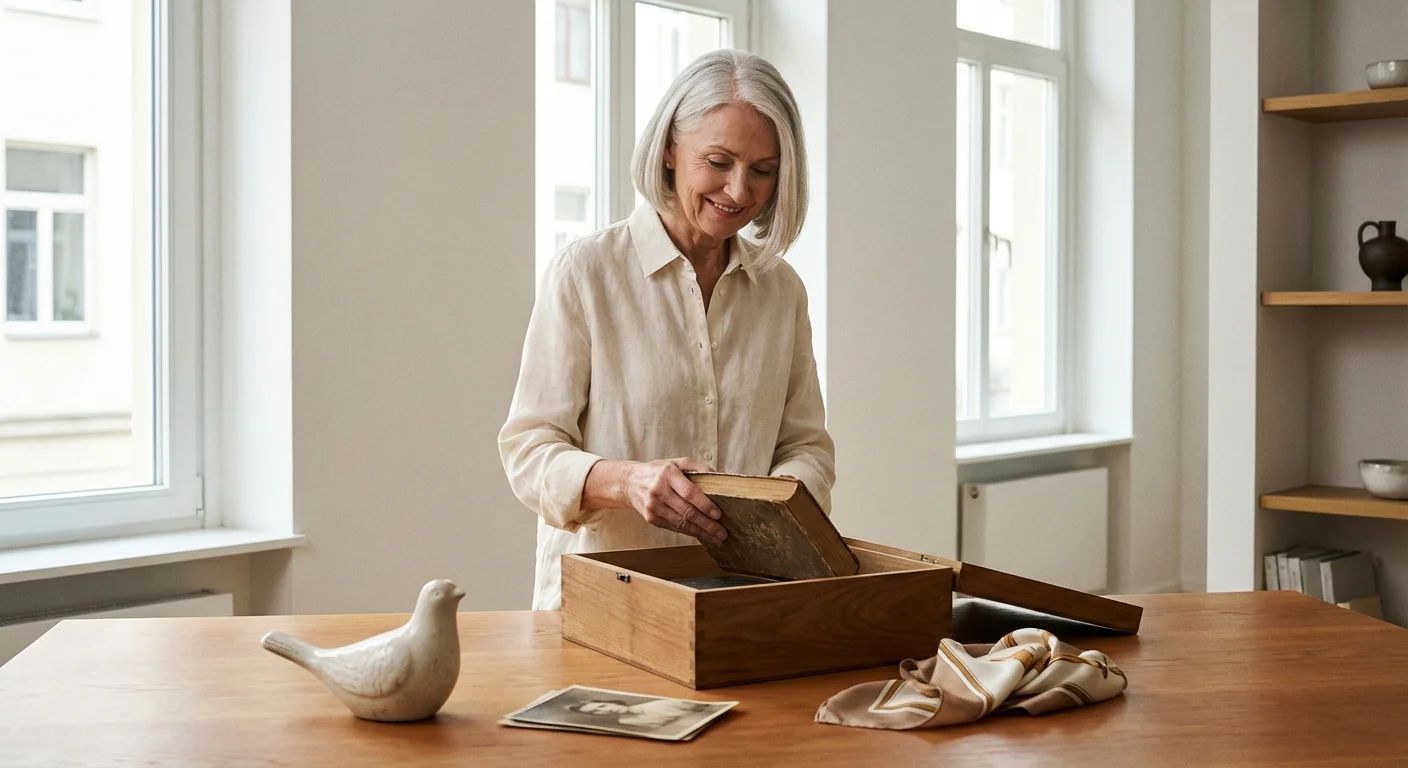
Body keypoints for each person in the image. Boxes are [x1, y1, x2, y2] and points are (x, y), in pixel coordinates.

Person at [499, 49, 835, 611]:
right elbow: (528, 452)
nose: (738, 192)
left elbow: (806, 446)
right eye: (719, 161)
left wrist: (777, 503)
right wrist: (627, 482)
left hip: (741, 603)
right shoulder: (586, 274)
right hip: (601, 607)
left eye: (762, 171)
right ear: (671, 150)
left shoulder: (782, 291)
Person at [566, 698, 707, 729]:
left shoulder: (663, 703)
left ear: (612, 702)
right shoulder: (625, 721)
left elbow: (704, 708)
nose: (606, 710)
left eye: (603, 705)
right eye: (597, 712)